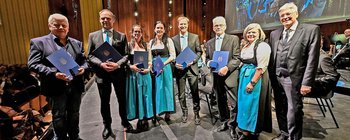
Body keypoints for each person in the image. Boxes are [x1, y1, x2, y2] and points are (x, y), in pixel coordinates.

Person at [27, 13, 87, 140]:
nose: (61, 27)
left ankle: (74, 137)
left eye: (63, 25)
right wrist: (53, 73)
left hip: (75, 86)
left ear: (68, 27)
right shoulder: (39, 43)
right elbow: (33, 64)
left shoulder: (77, 43)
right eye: (56, 25)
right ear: (50, 25)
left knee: (74, 114)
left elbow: (84, 61)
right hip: (55, 86)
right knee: (58, 116)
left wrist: (83, 69)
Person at [268, 2, 320, 140]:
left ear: (296, 14)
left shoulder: (310, 30)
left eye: (288, 14)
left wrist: (307, 82)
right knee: (280, 107)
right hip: (276, 77)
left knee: (293, 111)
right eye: (282, 15)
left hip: (294, 79)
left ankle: (294, 137)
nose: (285, 17)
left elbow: (312, 59)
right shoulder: (274, 33)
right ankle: (284, 134)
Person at [87, 9, 133, 139]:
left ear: (113, 19)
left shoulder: (121, 36)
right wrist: (101, 64)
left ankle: (125, 121)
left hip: (118, 74)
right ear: (99, 19)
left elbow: (126, 55)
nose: (105, 20)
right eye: (103, 18)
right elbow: (90, 56)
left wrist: (117, 64)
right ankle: (107, 126)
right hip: (102, 74)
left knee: (121, 100)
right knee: (104, 102)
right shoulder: (93, 36)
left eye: (108, 18)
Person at [205, 16, 241, 138]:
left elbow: (237, 57)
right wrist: (209, 63)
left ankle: (234, 126)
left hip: (230, 76)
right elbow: (207, 58)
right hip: (216, 76)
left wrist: (227, 67)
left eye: (220, 25)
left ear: (225, 26)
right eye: (216, 25)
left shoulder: (233, 39)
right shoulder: (209, 43)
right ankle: (224, 122)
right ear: (213, 27)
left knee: (234, 103)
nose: (218, 27)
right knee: (220, 101)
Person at [236, 23, 272, 140]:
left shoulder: (262, 46)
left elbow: (261, 67)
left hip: (254, 77)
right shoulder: (246, 45)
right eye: (248, 32)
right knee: (244, 104)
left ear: (259, 33)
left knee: (251, 105)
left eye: (253, 32)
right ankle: (245, 130)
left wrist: (252, 82)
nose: (250, 34)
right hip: (244, 76)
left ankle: (251, 132)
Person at [172, 16, 202, 124]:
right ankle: (184, 113)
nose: (183, 26)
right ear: (178, 25)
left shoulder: (195, 37)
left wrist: (193, 61)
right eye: (181, 24)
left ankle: (196, 114)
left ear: (188, 25)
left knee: (194, 92)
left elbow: (199, 52)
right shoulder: (173, 39)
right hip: (180, 70)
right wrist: (175, 63)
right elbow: (173, 55)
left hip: (192, 69)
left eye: (185, 24)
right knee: (181, 94)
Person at [125, 24, 153, 131]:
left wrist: (148, 69)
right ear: (132, 33)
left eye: (138, 32)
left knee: (145, 96)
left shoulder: (146, 45)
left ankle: (145, 118)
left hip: (145, 75)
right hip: (133, 76)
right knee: (136, 97)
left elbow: (150, 60)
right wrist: (131, 66)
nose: (136, 33)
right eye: (135, 32)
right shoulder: (128, 45)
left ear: (141, 33)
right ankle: (139, 118)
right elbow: (125, 60)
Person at [150, 21, 176, 123]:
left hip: (165, 68)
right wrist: (151, 66)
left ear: (164, 30)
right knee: (157, 89)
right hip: (155, 68)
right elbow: (150, 57)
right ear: (154, 29)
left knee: (167, 89)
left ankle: (167, 113)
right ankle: (157, 111)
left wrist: (163, 64)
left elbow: (173, 56)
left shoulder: (168, 40)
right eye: (157, 28)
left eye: (161, 28)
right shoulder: (151, 42)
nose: (159, 30)